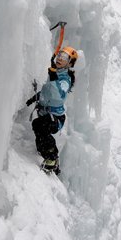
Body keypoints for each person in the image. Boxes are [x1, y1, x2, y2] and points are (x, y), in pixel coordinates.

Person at [26, 46, 78, 174]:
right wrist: (35, 97)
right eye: (60, 55)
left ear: (70, 63)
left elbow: (59, 95)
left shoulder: (66, 79)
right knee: (38, 128)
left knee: (39, 126)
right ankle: (45, 153)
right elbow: (47, 92)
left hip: (56, 117)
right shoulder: (54, 72)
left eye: (65, 57)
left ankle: (52, 158)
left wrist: (54, 77)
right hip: (46, 113)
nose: (60, 58)